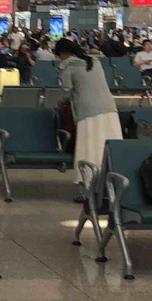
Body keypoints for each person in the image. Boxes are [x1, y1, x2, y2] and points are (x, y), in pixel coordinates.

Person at [56, 37, 121, 199]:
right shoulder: (94, 61)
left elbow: (66, 90)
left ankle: (88, 189)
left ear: (62, 53)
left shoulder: (67, 66)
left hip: (87, 111)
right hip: (109, 108)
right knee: (109, 148)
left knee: (89, 149)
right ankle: (113, 185)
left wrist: (63, 100)